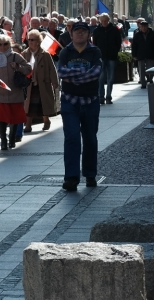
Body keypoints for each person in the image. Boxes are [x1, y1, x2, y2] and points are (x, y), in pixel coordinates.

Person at [57, 21, 102, 191]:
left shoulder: (94, 51)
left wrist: (73, 77)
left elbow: (96, 73)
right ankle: (71, 178)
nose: (80, 34)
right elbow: (61, 72)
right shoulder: (65, 52)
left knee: (90, 138)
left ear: (88, 34)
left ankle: (90, 174)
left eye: (83, 31)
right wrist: (84, 73)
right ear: (71, 34)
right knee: (72, 138)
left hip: (90, 101)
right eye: (77, 31)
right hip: (70, 101)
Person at [0, 36, 31, 150]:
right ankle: (3, 140)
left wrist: (18, 67)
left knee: (15, 118)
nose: (3, 47)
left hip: (15, 92)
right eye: (0, 44)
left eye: (5, 44)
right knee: (1, 118)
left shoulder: (15, 56)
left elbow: (28, 68)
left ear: (9, 45)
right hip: (0, 94)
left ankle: (12, 138)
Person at [22, 30, 59, 133]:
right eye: (29, 40)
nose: (30, 42)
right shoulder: (24, 54)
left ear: (38, 41)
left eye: (32, 40)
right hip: (29, 84)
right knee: (29, 105)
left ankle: (46, 120)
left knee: (43, 104)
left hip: (43, 83)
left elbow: (52, 69)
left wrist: (54, 81)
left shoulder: (45, 54)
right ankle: (28, 124)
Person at [92, 13, 122, 105]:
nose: (104, 22)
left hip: (111, 57)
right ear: (100, 21)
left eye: (105, 21)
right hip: (101, 57)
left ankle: (108, 97)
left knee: (111, 78)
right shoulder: (97, 31)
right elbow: (94, 44)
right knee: (101, 78)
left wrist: (115, 51)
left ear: (108, 20)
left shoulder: (114, 30)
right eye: (102, 21)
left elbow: (118, 42)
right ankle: (101, 97)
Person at [131, 20, 154, 88]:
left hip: (151, 54)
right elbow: (134, 46)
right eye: (142, 27)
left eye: (145, 26)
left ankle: (150, 79)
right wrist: (134, 55)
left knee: (150, 68)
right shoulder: (137, 35)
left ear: (147, 26)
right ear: (140, 27)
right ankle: (143, 83)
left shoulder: (152, 33)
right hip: (140, 54)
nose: (144, 28)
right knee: (141, 69)